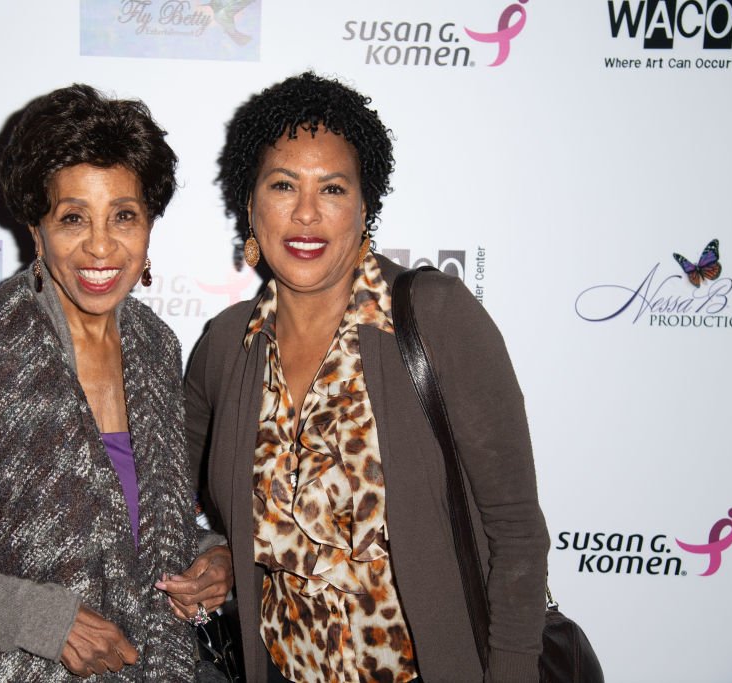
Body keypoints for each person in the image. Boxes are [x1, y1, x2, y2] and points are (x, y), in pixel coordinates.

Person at [0, 83, 232, 682]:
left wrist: (211, 559)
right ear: (37, 229)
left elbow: (131, 527)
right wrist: (40, 620)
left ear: (149, 226)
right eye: (73, 217)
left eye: (123, 216)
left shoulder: (156, 347)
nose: (101, 245)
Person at [185, 72, 549, 683]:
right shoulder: (227, 345)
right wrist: (213, 552)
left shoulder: (433, 315)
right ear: (251, 205)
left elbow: (514, 529)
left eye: (331, 187)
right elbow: (166, 489)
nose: (305, 213)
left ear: (363, 205)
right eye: (282, 185)